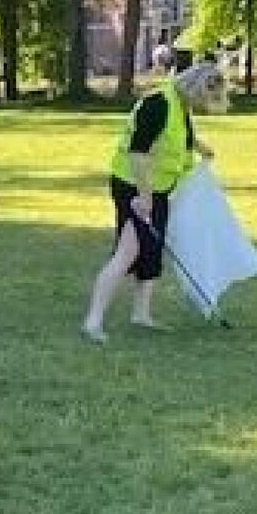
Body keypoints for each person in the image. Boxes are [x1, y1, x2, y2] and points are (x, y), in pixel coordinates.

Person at [82, 61, 227, 342]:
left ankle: (142, 315)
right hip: (133, 185)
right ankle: (93, 321)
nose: (204, 105)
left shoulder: (180, 104)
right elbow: (137, 153)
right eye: (205, 98)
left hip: (158, 188)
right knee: (128, 251)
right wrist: (144, 196)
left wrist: (200, 147)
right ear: (195, 88)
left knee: (151, 251)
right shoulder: (157, 103)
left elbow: (178, 136)